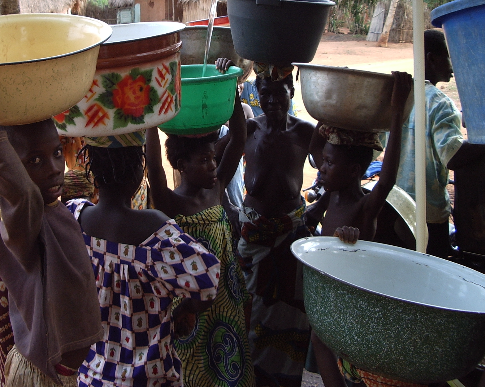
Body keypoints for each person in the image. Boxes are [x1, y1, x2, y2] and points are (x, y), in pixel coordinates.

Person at [0, 51, 103, 387]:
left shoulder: (54, 209)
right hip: (43, 376)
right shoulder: (26, 221)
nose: (54, 168)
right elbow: (16, 186)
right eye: (34, 161)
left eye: (57, 153)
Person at [65, 132, 221, 386]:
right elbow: (209, 280)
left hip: (92, 376)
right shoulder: (157, 233)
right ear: (139, 170)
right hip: (150, 378)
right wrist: (185, 310)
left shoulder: (74, 218)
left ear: (92, 169)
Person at [146, 58, 255, 387]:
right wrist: (151, 119)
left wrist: (231, 90)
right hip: (191, 304)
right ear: (182, 165)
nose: (213, 165)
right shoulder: (170, 204)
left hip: (226, 297)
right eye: (205, 160)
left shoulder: (217, 188)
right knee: (195, 368)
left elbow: (238, 139)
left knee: (232, 362)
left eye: (213, 158)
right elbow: (154, 168)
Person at [306, 71, 413, 387]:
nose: (321, 168)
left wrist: (396, 110)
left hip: (352, 299)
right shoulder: (333, 194)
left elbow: (387, 178)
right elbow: (315, 148)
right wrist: (328, 108)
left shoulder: (363, 208)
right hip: (330, 289)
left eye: (329, 164)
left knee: (348, 359)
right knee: (319, 341)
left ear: (353, 170)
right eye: (324, 161)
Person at [230, 62, 315, 387]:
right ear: (257, 94)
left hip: (291, 235)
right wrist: (230, 84)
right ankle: (251, 378)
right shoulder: (250, 130)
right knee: (250, 310)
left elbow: (332, 168)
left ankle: (283, 380)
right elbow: (218, 160)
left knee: (290, 313)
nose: (272, 101)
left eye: (279, 93)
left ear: (292, 91)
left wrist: (316, 209)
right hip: (254, 237)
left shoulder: (304, 132)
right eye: (265, 94)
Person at [395, 29, 485, 258]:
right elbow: (452, 155)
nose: (452, 65)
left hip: (396, 205)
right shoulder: (440, 103)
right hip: (429, 212)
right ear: (432, 59)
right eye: (448, 57)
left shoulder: (400, 95)